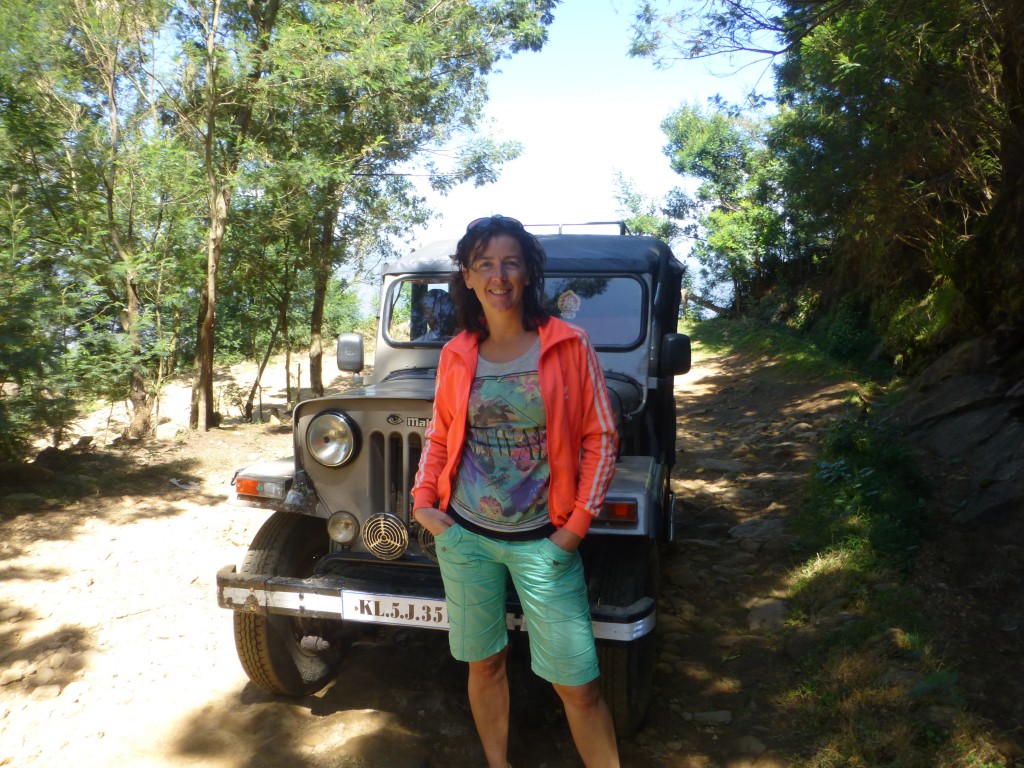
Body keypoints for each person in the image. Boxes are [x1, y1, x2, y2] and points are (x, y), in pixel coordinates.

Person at [411, 215, 621, 768]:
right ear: (468, 275)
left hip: (545, 543)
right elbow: (439, 433)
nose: (498, 275)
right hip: (466, 538)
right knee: (485, 665)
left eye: (510, 262)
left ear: (527, 273)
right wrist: (425, 505)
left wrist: (575, 529)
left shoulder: (568, 345)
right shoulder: (458, 352)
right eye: (485, 264)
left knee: (579, 686)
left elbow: (602, 436)